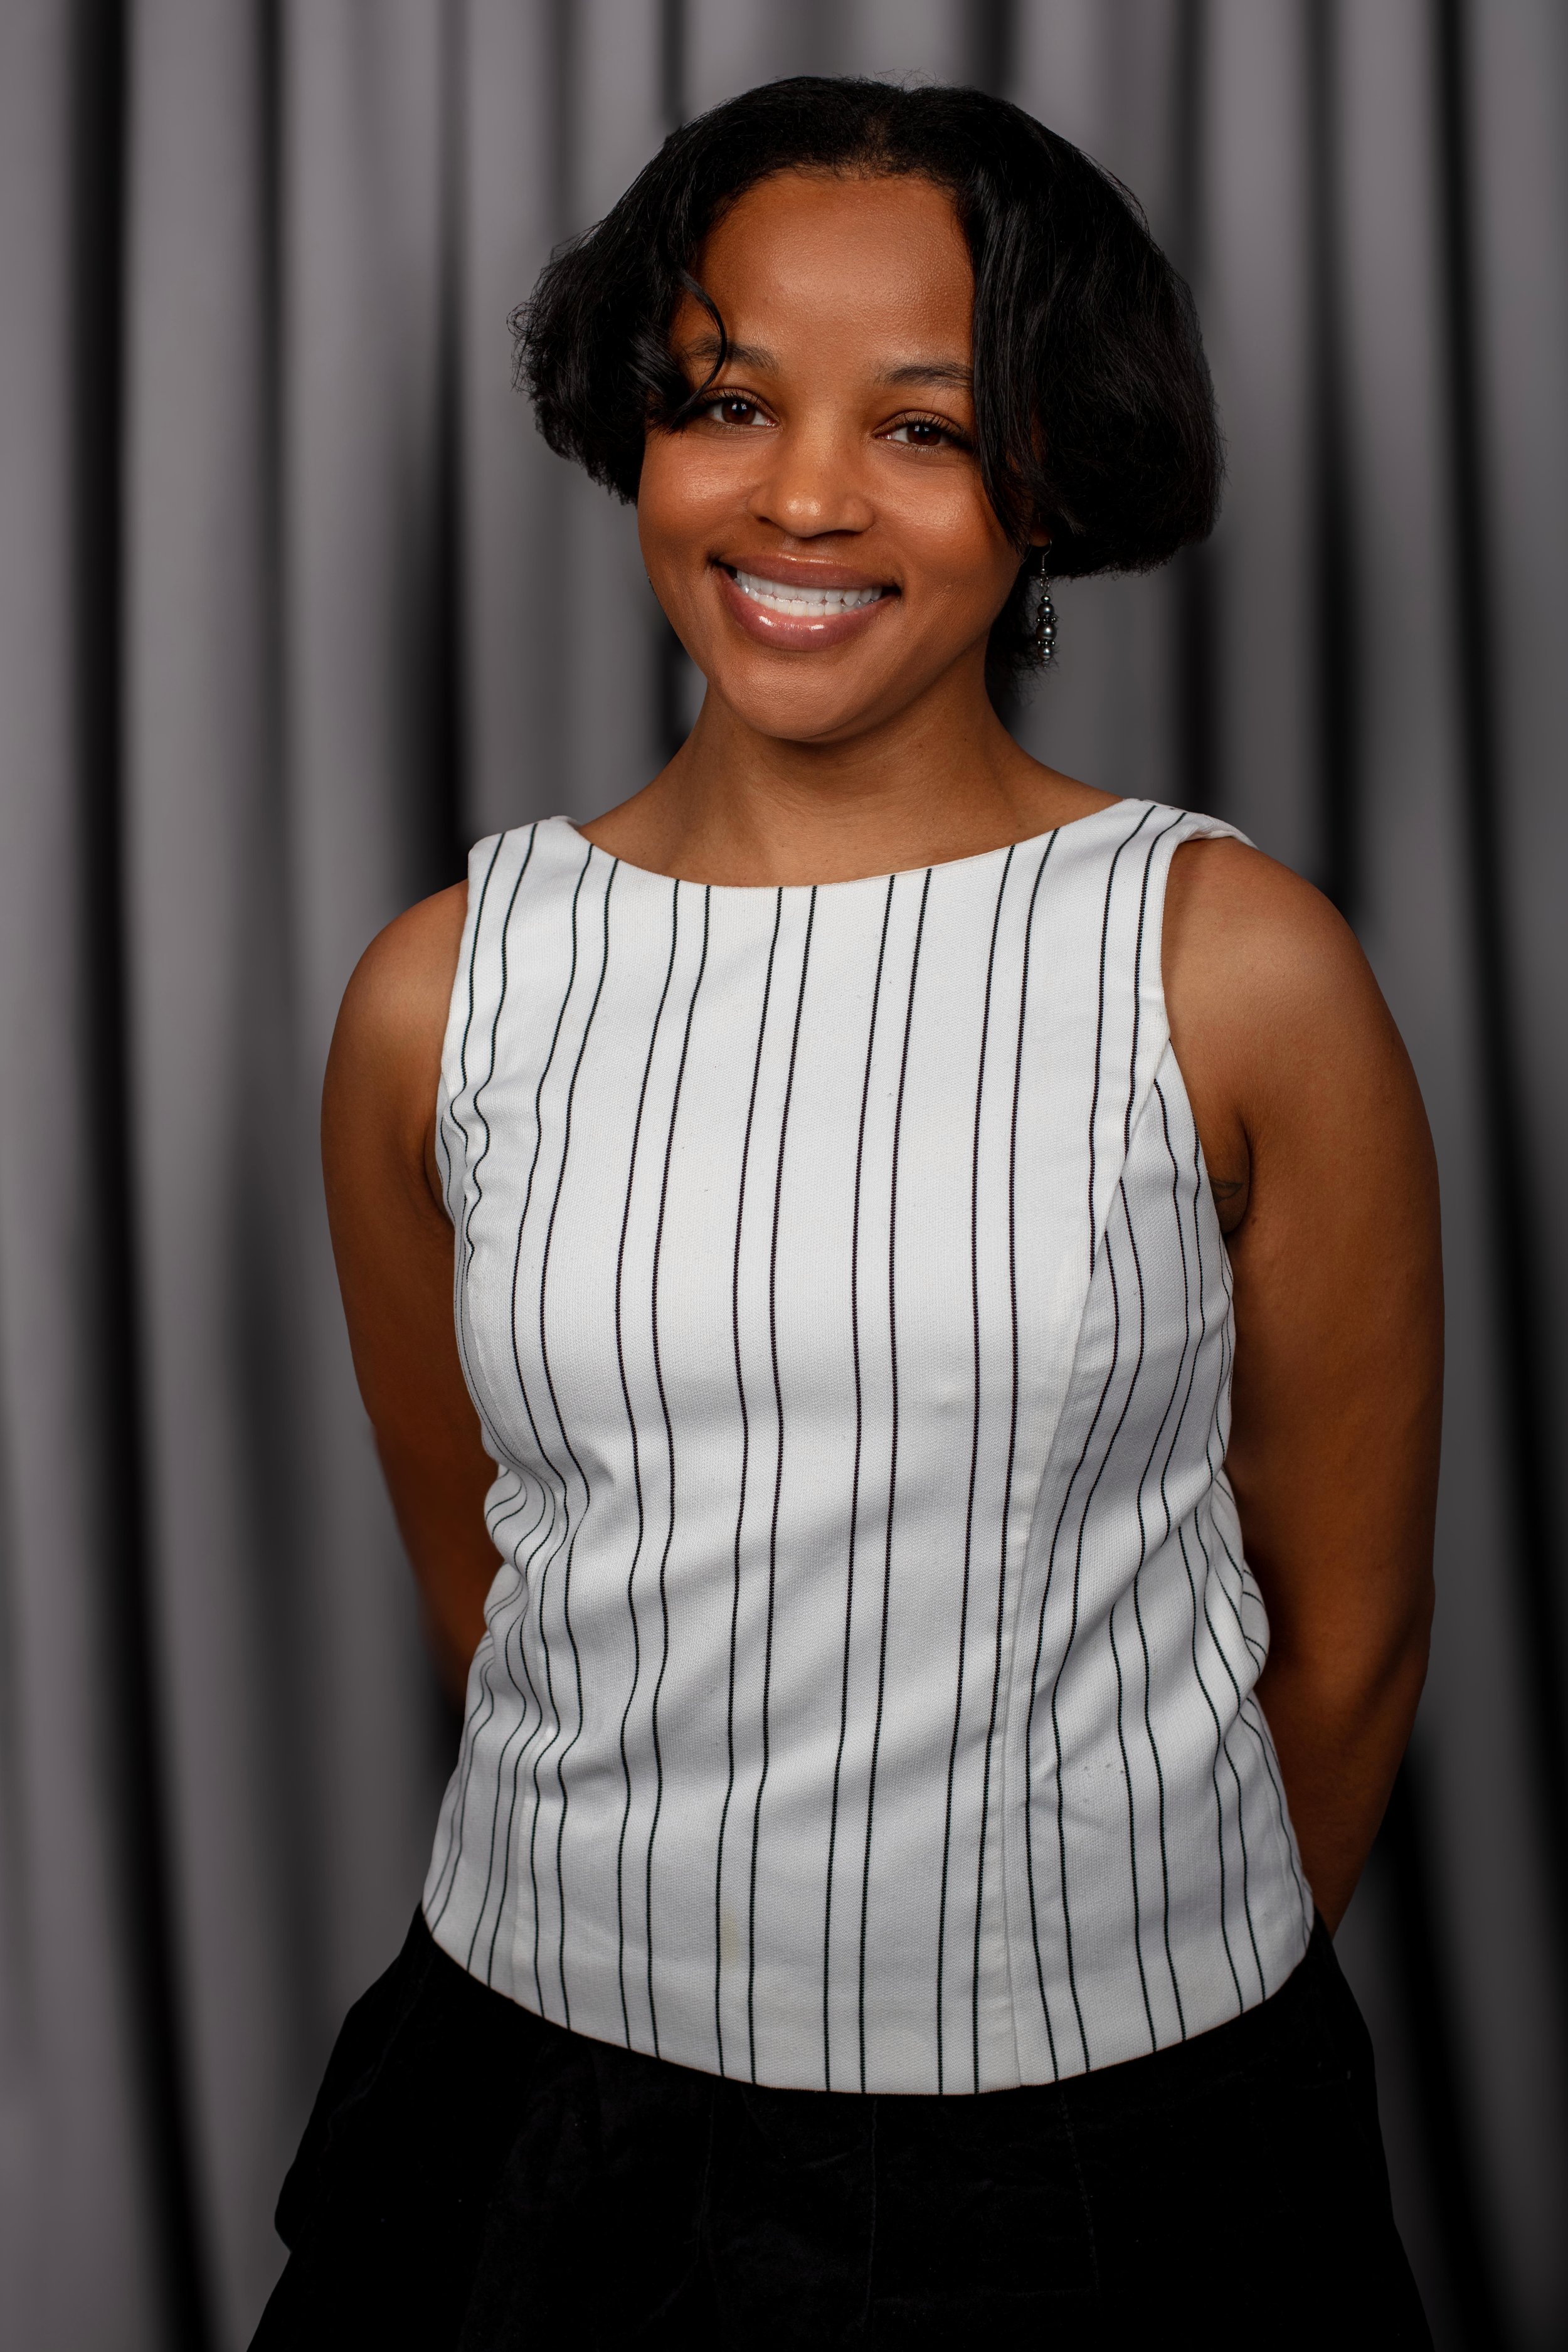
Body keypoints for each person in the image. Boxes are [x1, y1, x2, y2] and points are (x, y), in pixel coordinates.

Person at [253, 76, 1439, 2348]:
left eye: (922, 425)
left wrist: (1090, 1987)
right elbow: (489, 1578)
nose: (799, 494)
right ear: (636, 431)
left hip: (1098, 2146)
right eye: (725, 401)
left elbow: (1353, 1632)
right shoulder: (443, 988)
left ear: (1048, 481)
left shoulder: (1228, 962)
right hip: (531, 2113)